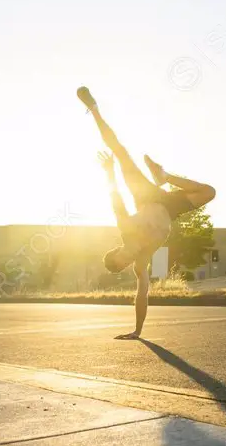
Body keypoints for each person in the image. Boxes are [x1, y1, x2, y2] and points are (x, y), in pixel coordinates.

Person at [77, 87, 216, 339]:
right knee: (209, 192)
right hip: (171, 209)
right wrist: (137, 331)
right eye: (124, 265)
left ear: (117, 251)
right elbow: (142, 293)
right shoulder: (141, 262)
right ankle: (164, 177)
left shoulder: (125, 228)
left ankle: (95, 110)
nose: (128, 261)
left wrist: (109, 171)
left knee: (120, 152)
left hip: (145, 196)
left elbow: (115, 197)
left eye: (121, 260)